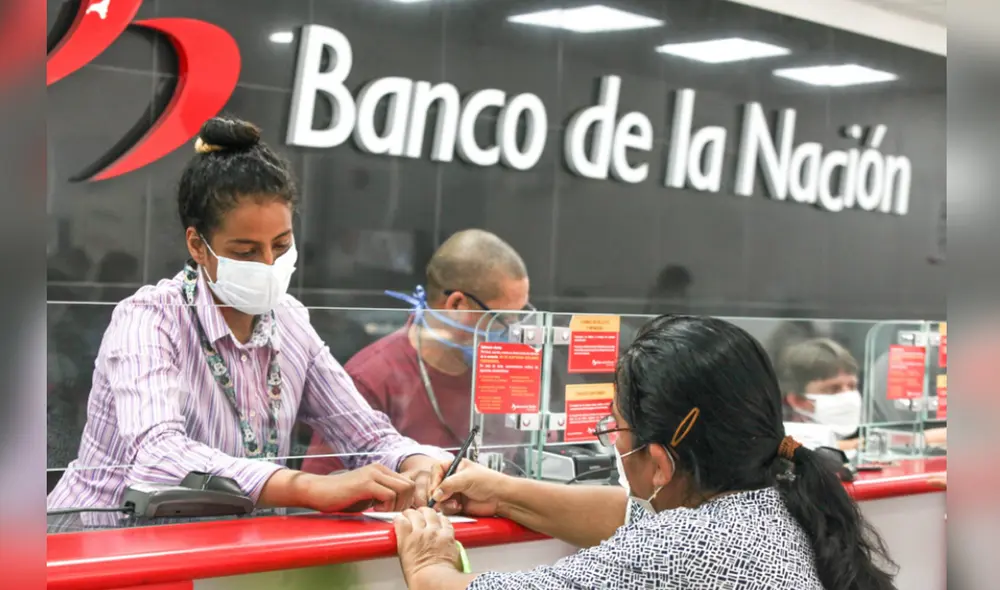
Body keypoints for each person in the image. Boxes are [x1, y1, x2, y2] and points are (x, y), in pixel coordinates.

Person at [48, 116, 450, 515]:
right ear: (198, 245)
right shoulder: (148, 320)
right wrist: (307, 488)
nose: (269, 263)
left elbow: (366, 434)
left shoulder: (290, 321)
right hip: (104, 538)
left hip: (229, 541)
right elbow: (159, 456)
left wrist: (415, 463)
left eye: (282, 245)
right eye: (246, 252)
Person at [392, 315, 898, 589]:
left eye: (616, 425)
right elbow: (631, 516)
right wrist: (504, 493)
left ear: (660, 461)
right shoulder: (783, 499)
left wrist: (429, 562)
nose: (612, 439)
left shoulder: (686, 545)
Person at [302, 229, 532, 475]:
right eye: (502, 319)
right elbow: (324, 484)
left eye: (521, 314)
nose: (512, 330)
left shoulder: (506, 371)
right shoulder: (371, 377)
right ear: (456, 305)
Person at [776, 338, 864, 449]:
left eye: (852, 386)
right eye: (833, 389)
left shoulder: (864, 435)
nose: (848, 397)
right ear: (797, 401)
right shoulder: (778, 441)